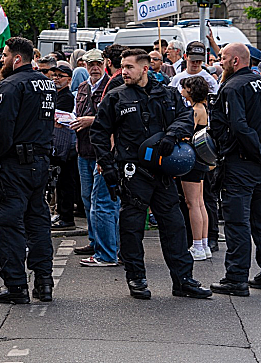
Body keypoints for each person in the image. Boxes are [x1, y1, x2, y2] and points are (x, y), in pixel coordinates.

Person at [91, 49, 211, 300]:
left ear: (145, 69)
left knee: (175, 226)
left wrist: (172, 135)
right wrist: (108, 166)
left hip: (162, 171)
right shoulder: (116, 97)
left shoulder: (166, 93)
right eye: (122, 67)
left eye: (129, 67)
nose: (124, 71)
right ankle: (136, 278)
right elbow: (100, 134)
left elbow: (186, 116)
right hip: (133, 171)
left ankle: (183, 280)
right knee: (132, 227)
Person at [0, 37, 56, 304]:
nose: (1, 60)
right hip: (40, 163)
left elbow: (2, 131)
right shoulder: (46, 84)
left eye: (4, 56)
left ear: (16, 58)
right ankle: (44, 283)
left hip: (14, 166)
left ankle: (15, 285)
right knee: (38, 223)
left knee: (10, 225)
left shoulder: (9, 86)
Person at [209, 43, 261, 296]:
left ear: (236, 61)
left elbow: (238, 126)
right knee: (260, 221)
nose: (220, 62)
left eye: (223, 58)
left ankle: (236, 278)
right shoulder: (258, 82)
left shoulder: (232, 87)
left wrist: (255, 151)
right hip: (256, 163)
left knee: (237, 223)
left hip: (241, 163)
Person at [70, 49, 118, 266]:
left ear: (106, 64)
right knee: (88, 199)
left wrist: (91, 120)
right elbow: (77, 113)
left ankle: (108, 249)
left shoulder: (112, 86)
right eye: (90, 65)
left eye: (98, 63)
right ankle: (95, 241)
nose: (95, 68)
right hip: (84, 150)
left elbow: (113, 119)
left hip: (102, 152)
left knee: (104, 203)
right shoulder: (82, 86)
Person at [178, 76, 211, 261]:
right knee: (199, 202)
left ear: (191, 90)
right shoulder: (204, 108)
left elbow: (185, 132)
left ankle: (197, 244)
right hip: (201, 160)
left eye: (184, 87)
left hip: (192, 161)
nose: (182, 90)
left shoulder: (195, 110)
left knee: (192, 204)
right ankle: (203, 244)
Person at [49, 62, 78, 231]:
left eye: (60, 76)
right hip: (57, 145)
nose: (56, 79)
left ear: (69, 79)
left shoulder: (67, 97)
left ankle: (67, 217)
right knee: (59, 182)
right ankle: (61, 213)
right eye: (54, 75)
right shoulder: (54, 94)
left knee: (66, 182)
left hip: (67, 147)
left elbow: (60, 118)